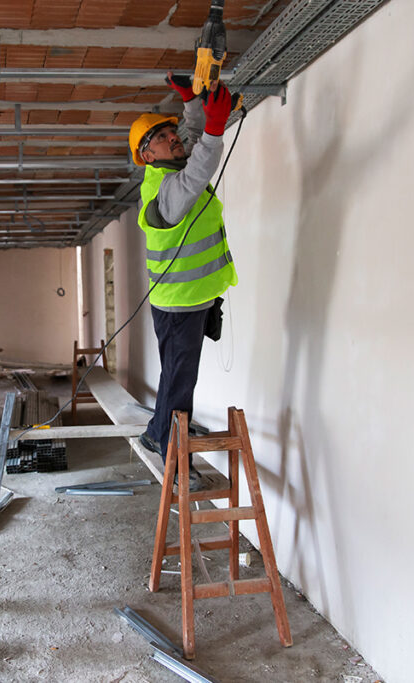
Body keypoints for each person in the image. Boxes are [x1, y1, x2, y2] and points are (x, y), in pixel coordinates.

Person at [128, 73, 238, 491]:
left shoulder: (173, 160)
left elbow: (192, 136)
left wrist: (193, 102)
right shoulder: (166, 187)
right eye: (162, 136)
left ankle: (162, 431)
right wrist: (214, 127)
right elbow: (198, 169)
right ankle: (171, 451)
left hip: (193, 298)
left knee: (179, 375)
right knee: (179, 377)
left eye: (171, 131)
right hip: (179, 303)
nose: (174, 137)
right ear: (146, 153)